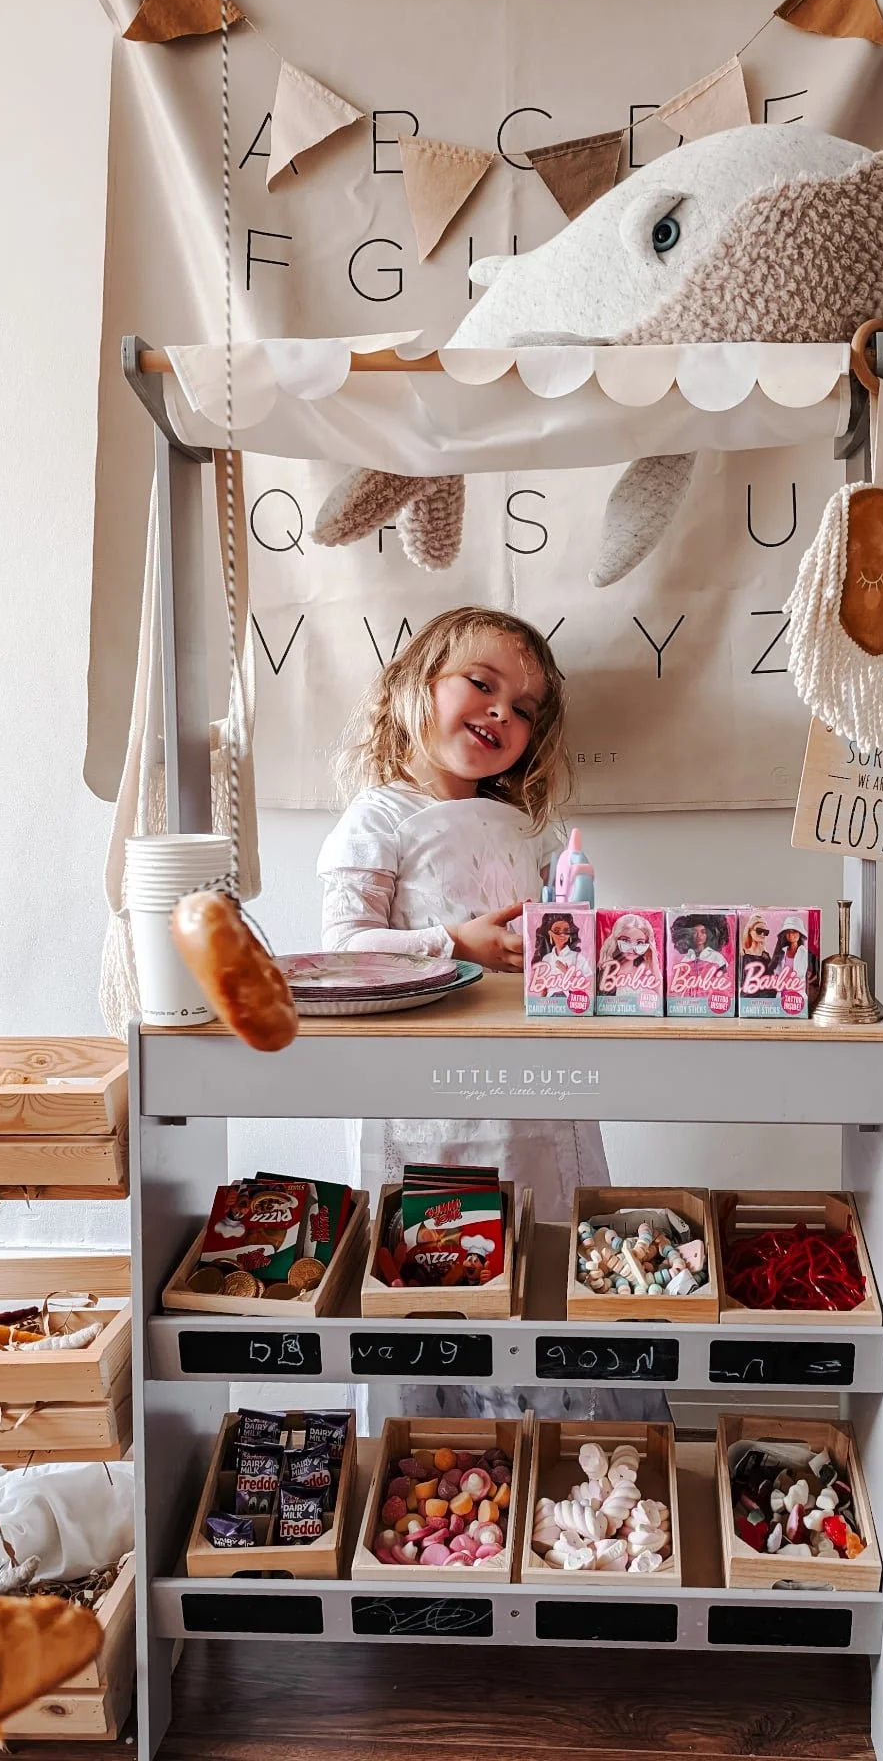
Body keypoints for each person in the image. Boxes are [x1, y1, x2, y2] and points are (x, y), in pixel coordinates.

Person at [319, 605, 662, 1421]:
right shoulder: (379, 819)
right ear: (414, 687)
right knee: (443, 1253)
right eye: (482, 684)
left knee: (540, 1236)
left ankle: (557, 1436)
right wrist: (449, 941)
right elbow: (338, 950)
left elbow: (554, 937)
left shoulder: (526, 829)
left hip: (534, 1083)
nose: (503, 711)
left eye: (526, 707)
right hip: (428, 1091)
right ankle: (443, 1438)